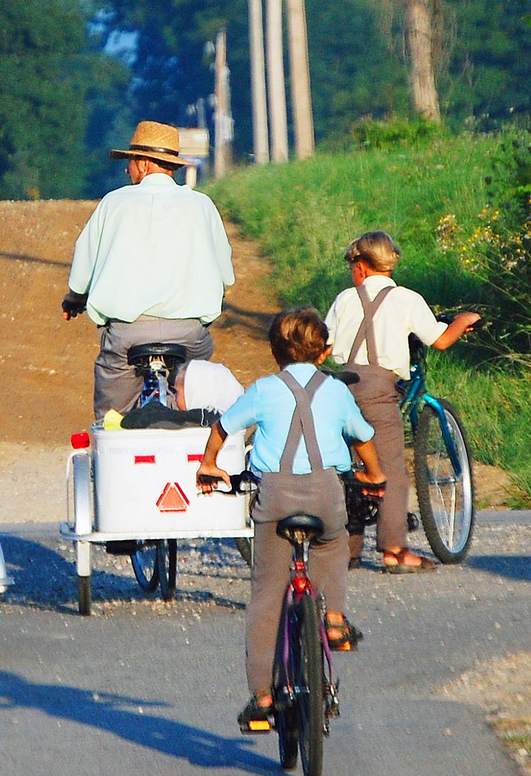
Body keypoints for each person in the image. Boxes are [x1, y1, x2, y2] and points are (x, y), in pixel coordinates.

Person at [195, 307, 385, 730]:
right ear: (326, 353)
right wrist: (375, 474)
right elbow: (364, 436)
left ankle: (262, 698)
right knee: (333, 545)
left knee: (266, 593)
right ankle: (333, 618)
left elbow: (224, 428)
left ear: (274, 353)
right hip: (325, 493)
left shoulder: (265, 389)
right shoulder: (336, 390)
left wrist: (210, 465)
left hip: (275, 497)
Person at [325, 230, 481, 572]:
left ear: (363, 266)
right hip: (379, 391)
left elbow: (324, 345)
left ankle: (348, 549)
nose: (351, 271)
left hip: (340, 388)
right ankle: (394, 550)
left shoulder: (344, 300)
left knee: (349, 467)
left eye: (351, 264)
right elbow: (439, 340)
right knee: (391, 469)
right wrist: (461, 322)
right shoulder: (407, 299)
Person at [61, 120, 236, 418]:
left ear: (142, 164)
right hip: (188, 336)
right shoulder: (202, 205)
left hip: (126, 336)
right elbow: (226, 277)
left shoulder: (112, 204)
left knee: (112, 420)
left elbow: (82, 271)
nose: (127, 170)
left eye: (129, 162)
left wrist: (75, 297)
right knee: (199, 403)